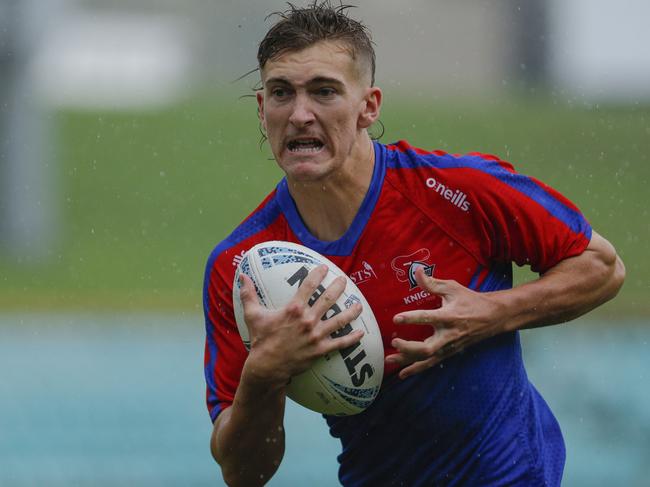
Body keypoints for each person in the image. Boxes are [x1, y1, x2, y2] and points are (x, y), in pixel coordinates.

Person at [202, 2, 625, 485]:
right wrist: (265, 373)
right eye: (282, 93)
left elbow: (602, 266)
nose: (300, 115)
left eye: (324, 92)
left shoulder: (455, 189)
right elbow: (242, 473)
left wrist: (491, 314)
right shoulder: (241, 270)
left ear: (369, 106)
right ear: (262, 110)